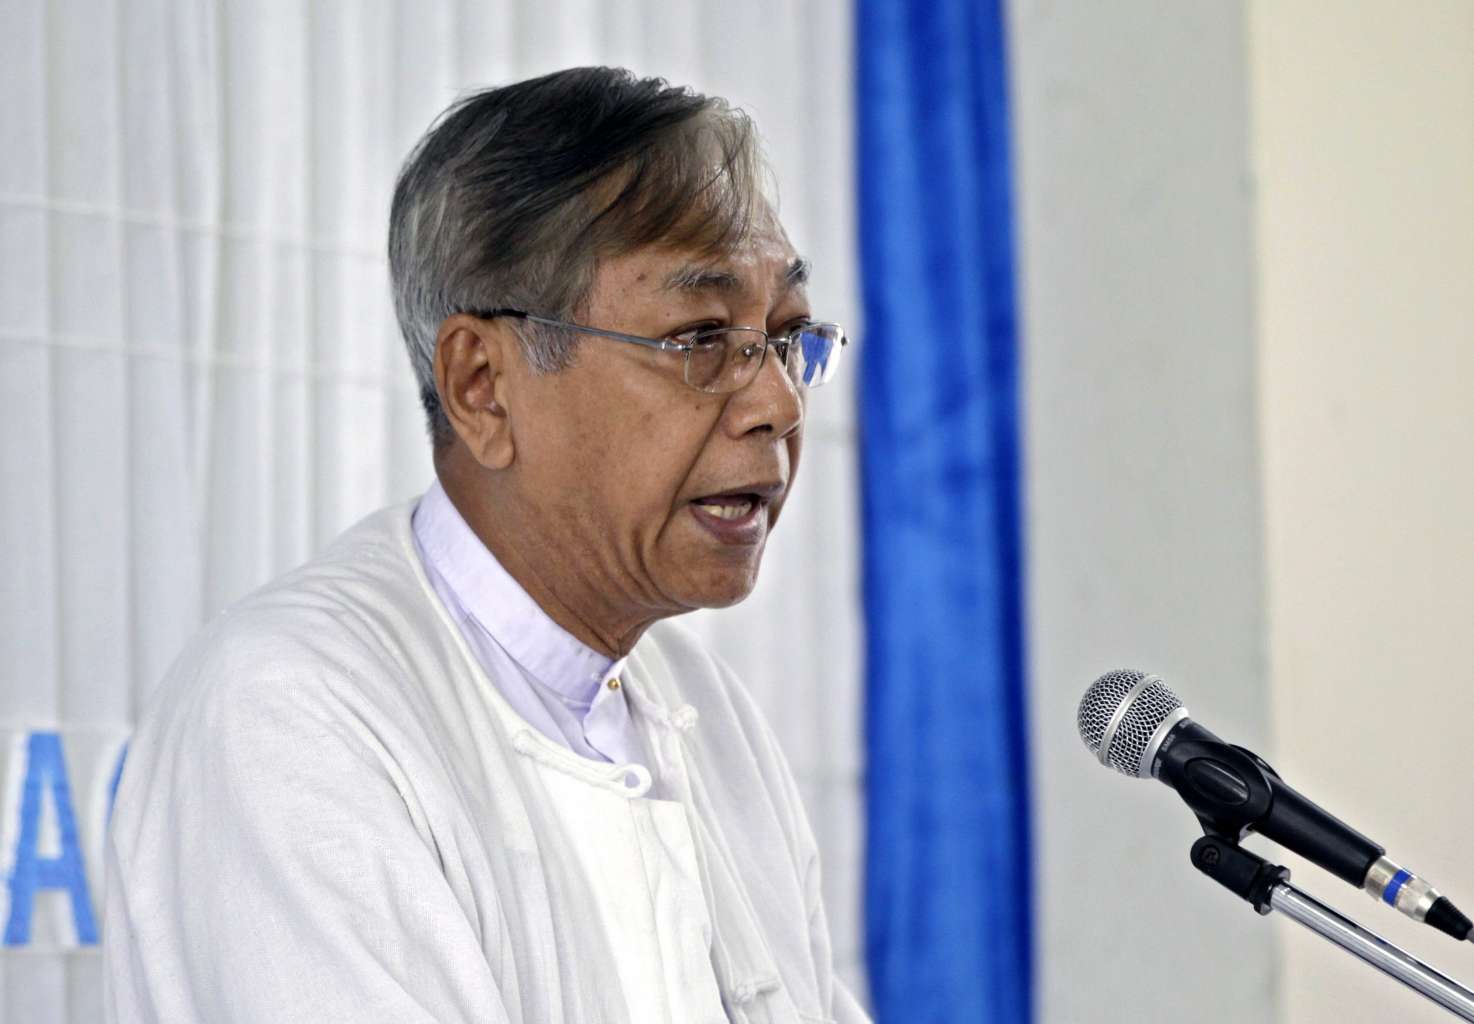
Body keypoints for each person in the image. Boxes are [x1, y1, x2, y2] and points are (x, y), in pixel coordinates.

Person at [102, 66, 867, 1023]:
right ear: (482, 387)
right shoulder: (290, 716)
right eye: (701, 338)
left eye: (789, 337)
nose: (777, 404)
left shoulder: (707, 712)